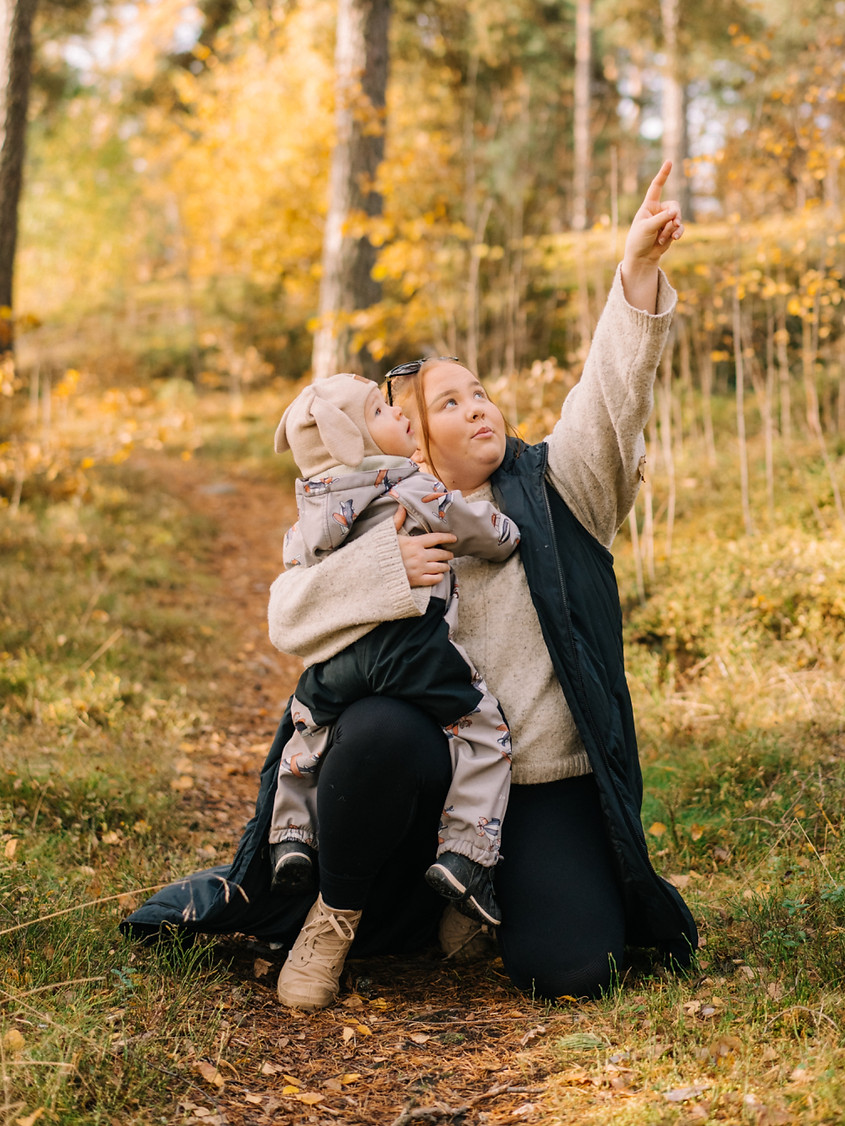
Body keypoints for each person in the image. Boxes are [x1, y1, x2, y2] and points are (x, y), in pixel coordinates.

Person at [121, 161, 698, 1010]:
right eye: (449, 402)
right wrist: (391, 568)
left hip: (540, 781)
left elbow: (611, 395)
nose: (477, 409)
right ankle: (337, 915)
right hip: (429, 769)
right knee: (380, 727)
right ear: (414, 443)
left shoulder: (558, 488)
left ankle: (471, 901)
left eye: (480, 393)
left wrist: (636, 271)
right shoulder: (376, 515)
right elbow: (289, 615)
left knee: (572, 971)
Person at [266, 371, 520, 970]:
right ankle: (466, 853)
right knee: (481, 725)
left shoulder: (308, 510)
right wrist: (507, 533)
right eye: (382, 410)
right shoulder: (411, 487)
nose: (397, 415)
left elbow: (295, 568)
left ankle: (292, 836)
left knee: (307, 730)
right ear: (353, 438)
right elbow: (484, 532)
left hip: (339, 663)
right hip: (407, 649)